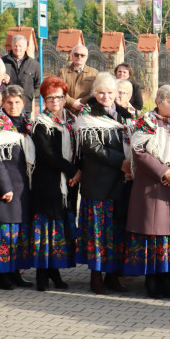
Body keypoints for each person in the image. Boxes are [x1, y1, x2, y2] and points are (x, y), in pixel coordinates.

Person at [124, 84, 170, 299]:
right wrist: (164, 171)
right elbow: (139, 152)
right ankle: (151, 279)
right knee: (152, 233)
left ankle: (167, 278)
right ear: (158, 102)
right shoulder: (146, 122)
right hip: (152, 187)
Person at [75, 74, 132, 294]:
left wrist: (130, 166)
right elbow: (92, 148)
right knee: (98, 232)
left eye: (110, 93)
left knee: (116, 230)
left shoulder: (125, 115)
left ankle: (112, 276)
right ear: (94, 94)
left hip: (121, 182)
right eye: (101, 93)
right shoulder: (87, 115)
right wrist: (123, 163)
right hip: (98, 182)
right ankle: (95, 276)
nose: (106, 97)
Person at [30, 76, 80, 291]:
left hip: (67, 184)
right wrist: (75, 171)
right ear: (44, 99)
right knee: (46, 232)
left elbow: (77, 152)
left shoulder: (71, 122)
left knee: (59, 232)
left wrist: (78, 174)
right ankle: (42, 276)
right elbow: (48, 155)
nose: (55, 102)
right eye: (50, 98)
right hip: (48, 184)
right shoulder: (41, 124)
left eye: (59, 97)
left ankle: (55, 274)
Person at [0, 85, 34, 290]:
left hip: (24, 186)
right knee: (5, 233)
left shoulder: (26, 124)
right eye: (9, 103)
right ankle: (3, 274)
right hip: (7, 187)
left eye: (17, 102)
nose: (13, 106)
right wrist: (5, 187)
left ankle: (15, 272)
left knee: (19, 233)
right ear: (3, 104)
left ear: (23, 103)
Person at [3, 35, 42, 112]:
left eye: (20, 46)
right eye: (15, 46)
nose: (18, 48)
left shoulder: (34, 64)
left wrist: (29, 94)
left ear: (25, 47)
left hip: (26, 106)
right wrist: (6, 83)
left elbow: (37, 85)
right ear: (12, 46)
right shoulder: (3, 62)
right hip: (8, 105)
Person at [57, 44, 98, 113]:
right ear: (72, 56)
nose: (79, 57)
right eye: (76, 54)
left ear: (87, 57)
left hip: (86, 112)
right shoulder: (63, 72)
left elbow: (95, 92)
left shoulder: (95, 73)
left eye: (82, 55)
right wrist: (72, 103)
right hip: (66, 111)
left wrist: (80, 103)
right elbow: (59, 90)